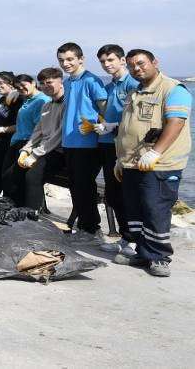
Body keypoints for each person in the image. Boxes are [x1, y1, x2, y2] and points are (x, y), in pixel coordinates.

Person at [112, 49, 191, 277]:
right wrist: (120, 159)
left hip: (159, 165)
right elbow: (128, 129)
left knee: (155, 211)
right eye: (132, 66)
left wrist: (155, 152)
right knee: (135, 212)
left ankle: (159, 258)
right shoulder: (135, 92)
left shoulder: (173, 89)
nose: (137, 68)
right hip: (131, 164)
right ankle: (143, 252)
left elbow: (175, 123)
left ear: (155, 62)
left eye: (141, 63)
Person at [56, 42, 108, 243]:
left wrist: (99, 125)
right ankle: (85, 228)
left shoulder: (92, 81)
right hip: (69, 142)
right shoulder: (68, 82)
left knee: (85, 187)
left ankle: (93, 229)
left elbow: (105, 111)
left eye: (70, 59)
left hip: (88, 144)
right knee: (76, 186)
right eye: (61, 60)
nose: (65, 63)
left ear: (81, 59)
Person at [94, 44, 141, 256]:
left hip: (124, 147)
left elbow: (137, 117)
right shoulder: (111, 85)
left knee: (127, 194)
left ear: (122, 60)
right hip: (106, 144)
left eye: (110, 60)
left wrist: (113, 126)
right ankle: (125, 237)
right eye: (103, 61)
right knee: (112, 195)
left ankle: (135, 240)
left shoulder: (132, 83)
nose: (106, 65)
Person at [5, 68, 65, 211]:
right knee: (12, 174)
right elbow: (37, 132)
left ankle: (32, 216)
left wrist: (35, 154)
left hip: (58, 151)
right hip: (43, 149)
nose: (45, 86)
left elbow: (59, 134)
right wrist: (26, 150)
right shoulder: (46, 105)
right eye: (42, 83)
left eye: (49, 82)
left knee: (32, 176)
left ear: (61, 82)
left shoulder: (67, 104)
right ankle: (16, 212)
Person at [0, 74, 50, 201]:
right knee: (7, 178)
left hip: (28, 143)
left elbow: (41, 128)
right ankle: (9, 209)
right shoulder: (27, 99)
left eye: (23, 85)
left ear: (33, 83)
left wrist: (30, 149)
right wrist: (14, 94)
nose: (21, 88)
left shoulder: (42, 100)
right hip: (17, 142)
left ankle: (20, 211)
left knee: (13, 179)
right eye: (18, 87)